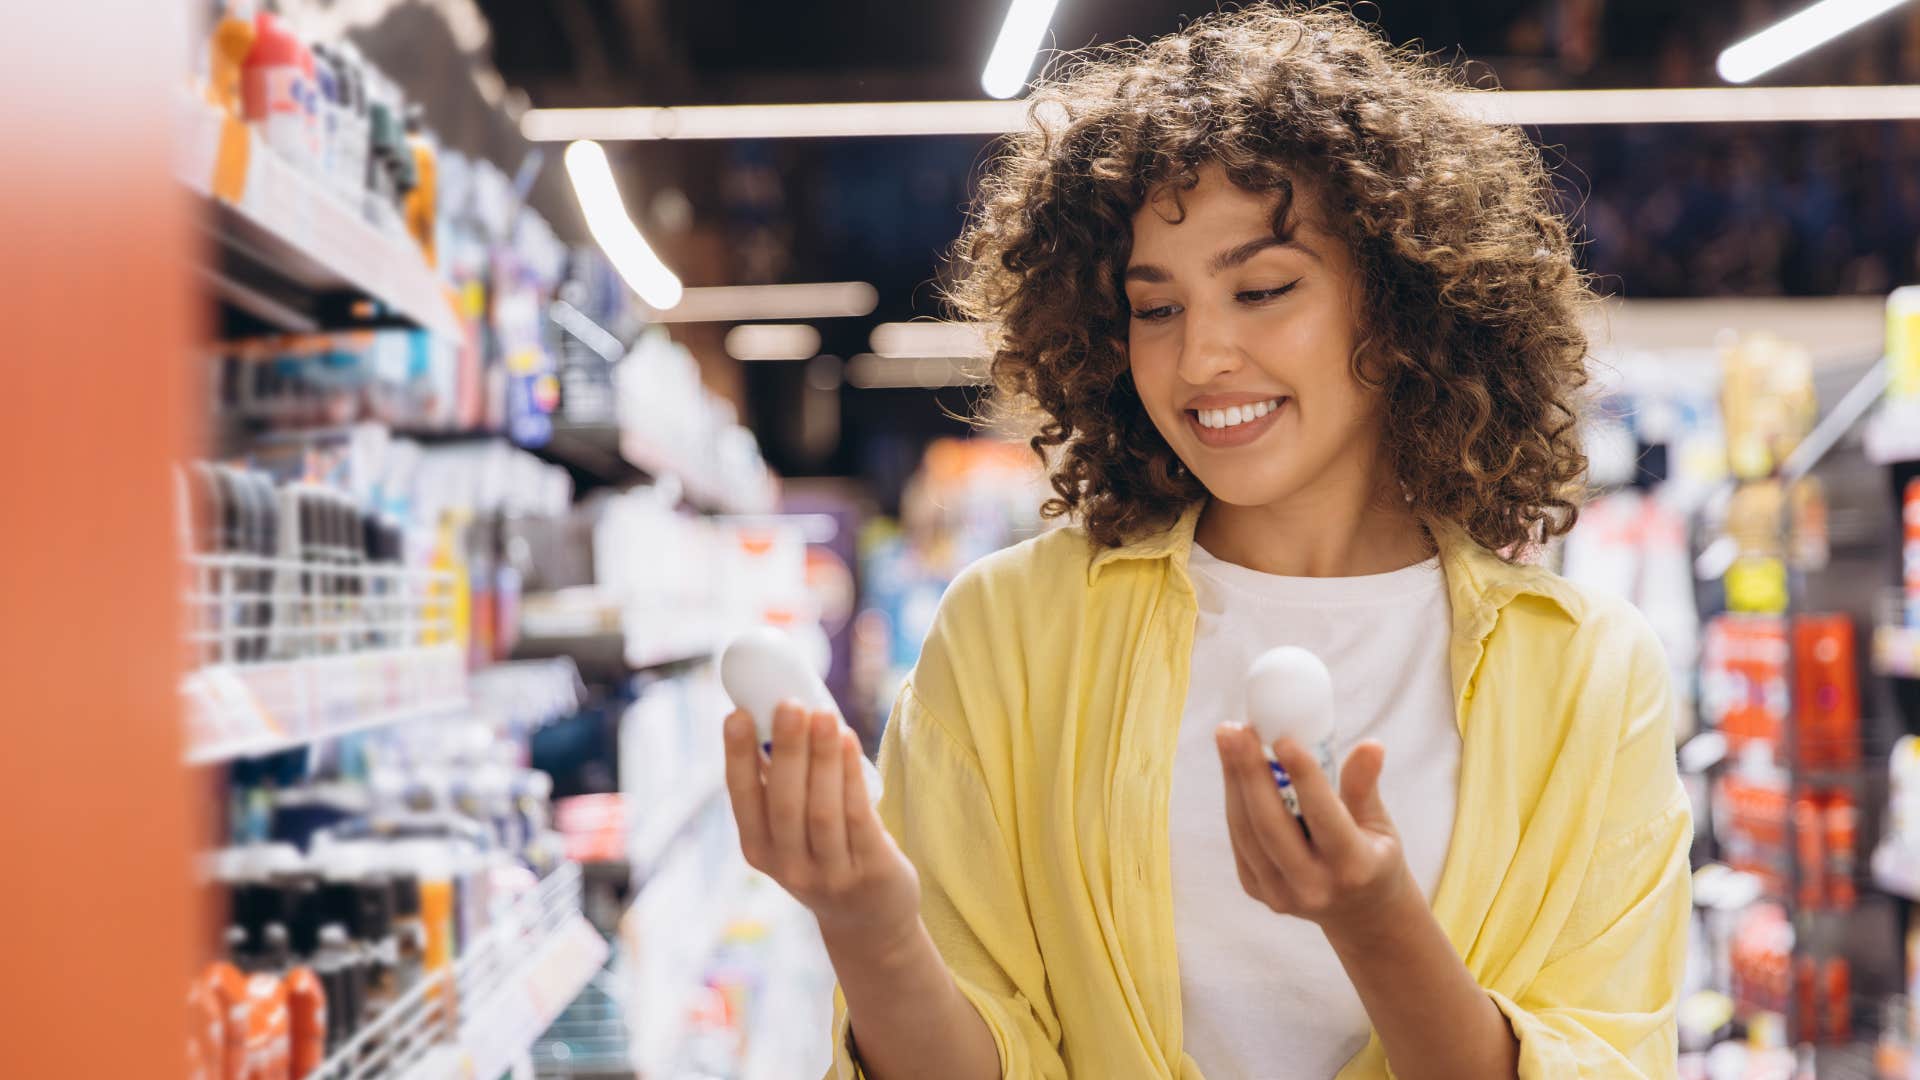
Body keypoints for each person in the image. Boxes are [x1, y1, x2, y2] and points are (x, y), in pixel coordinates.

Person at [720, 5, 1691, 1078]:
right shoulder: (1012, 633)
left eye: (1265, 289)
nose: (1200, 359)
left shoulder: (1588, 673)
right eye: (1155, 309)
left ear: (1407, 302)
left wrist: (1375, 924)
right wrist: (869, 923)